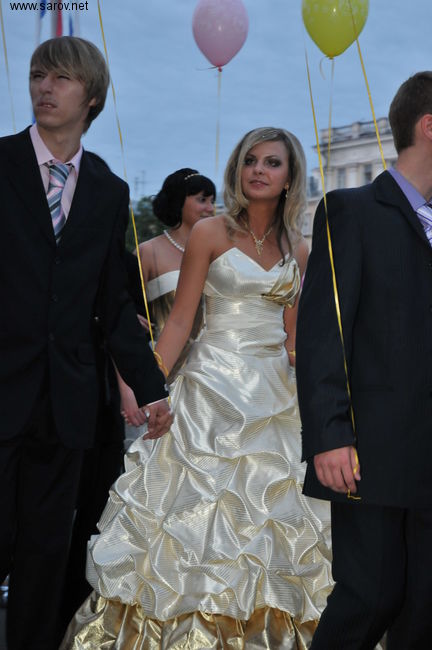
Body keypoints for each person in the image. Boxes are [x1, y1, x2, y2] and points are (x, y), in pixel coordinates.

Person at [61, 126, 332, 649]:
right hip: (207, 390)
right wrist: (149, 387)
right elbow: (181, 322)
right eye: (250, 160)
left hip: (275, 399)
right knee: (188, 521)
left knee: (274, 526)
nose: (258, 170)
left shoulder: (299, 248)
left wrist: (320, 399)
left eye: (272, 162)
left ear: (290, 177)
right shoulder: (210, 232)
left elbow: (295, 339)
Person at [0, 36, 171, 650]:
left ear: (91, 96)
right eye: (37, 75)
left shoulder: (108, 188)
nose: (44, 87)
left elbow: (114, 301)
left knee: (46, 556)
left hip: (67, 402)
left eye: (61, 78)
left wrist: (149, 386)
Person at [296, 71, 432, 649]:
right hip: (372, 450)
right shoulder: (349, 210)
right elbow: (323, 333)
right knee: (370, 596)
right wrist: (329, 435)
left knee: (425, 611)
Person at [119, 168, 216, 443]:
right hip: (165, 378)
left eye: (212, 201)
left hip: (217, 375)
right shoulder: (148, 252)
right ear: (178, 201)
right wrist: (130, 388)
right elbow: (125, 324)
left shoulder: (221, 254)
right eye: (202, 199)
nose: (210, 208)